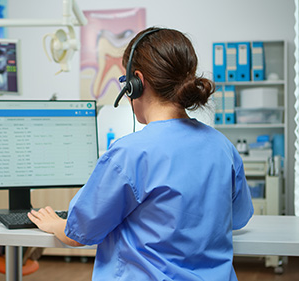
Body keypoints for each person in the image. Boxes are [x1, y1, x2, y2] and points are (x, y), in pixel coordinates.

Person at [28, 27, 254, 280]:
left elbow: (79, 233)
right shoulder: (222, 146)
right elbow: (239, 217)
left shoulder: (129, 153)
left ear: (137, 81)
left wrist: (54, 223)